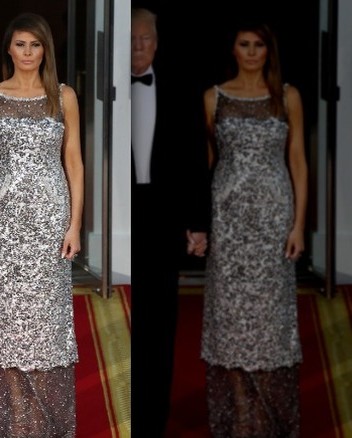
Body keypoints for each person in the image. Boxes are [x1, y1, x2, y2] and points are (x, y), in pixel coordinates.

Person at [0, 12, 83, 436]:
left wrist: (74, 225)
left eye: (35, 45)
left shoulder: (63, 95)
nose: (28, 53)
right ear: (9, 48)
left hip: (50, 222)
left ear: (45, 50)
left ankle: (47, 423)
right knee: (7, 325)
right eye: (20, 45)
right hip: (4, 223)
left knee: (46, 324)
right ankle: (18, 423)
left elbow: (73, 162)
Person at [201, 20, 306, 437]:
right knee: (230, 322)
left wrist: (299, 224)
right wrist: (200, 225)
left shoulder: (287, 96)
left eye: (258, 45)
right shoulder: (213, 97)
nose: (250, 52)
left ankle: (267, 418)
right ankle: (242, 418)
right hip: (228, 220)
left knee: (269, 322)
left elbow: (297, 161)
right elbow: (207, 165)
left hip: (273, 221)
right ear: (233, 49)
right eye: (243, 44)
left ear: (268, 50)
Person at [130, 7, 211, 436]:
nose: (138, 47)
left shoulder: (180, 89)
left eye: (145, 39)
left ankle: (152, 422)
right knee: (126, 316)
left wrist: (198, 223)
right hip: (120, 218)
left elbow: (197, 158)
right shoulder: (105, 93)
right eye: (130, 39)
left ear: (157, 43)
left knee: (161, 325)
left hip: (162, 219)